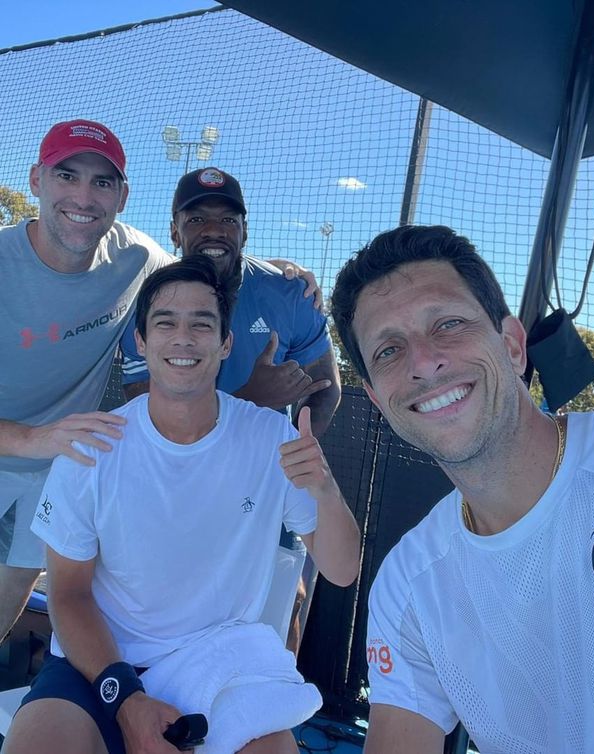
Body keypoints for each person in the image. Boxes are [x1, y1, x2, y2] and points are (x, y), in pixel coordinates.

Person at [330, 224, 594, 754]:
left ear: (511, 344)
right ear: (375, 400)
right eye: (388, 351)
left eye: (449, 324)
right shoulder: (409, 585)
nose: (422, 362)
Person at [4, 255, 361, 754]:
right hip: (99, 665)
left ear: (225, 343)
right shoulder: (91, 448)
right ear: (141, 343)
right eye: (166, 322)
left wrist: (325, 489)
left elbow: (343, 571)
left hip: (221, 663)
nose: (184, 337)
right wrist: (126, 700)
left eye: (202, 323)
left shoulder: (272, 440)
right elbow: (68, 596)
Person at [0, 119, 172, 644]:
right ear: (36, 180)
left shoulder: (139, 259)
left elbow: (200, 280)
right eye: (67, 175)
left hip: (53, 475)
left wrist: (272, 269)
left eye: (102, 183)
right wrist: (36, 438)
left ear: (122, 196)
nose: (83, 196)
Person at [121, 167, 341, 438]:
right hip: (175, 467)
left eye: (228, 220)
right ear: (174, 233)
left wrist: (291, 453)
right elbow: (144, 408)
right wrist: (249, 399)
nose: (214, 230)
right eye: (197, 219)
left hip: (261, 467)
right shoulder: (149, 303)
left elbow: (325, 387)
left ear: (244, 232)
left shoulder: (293, 294)